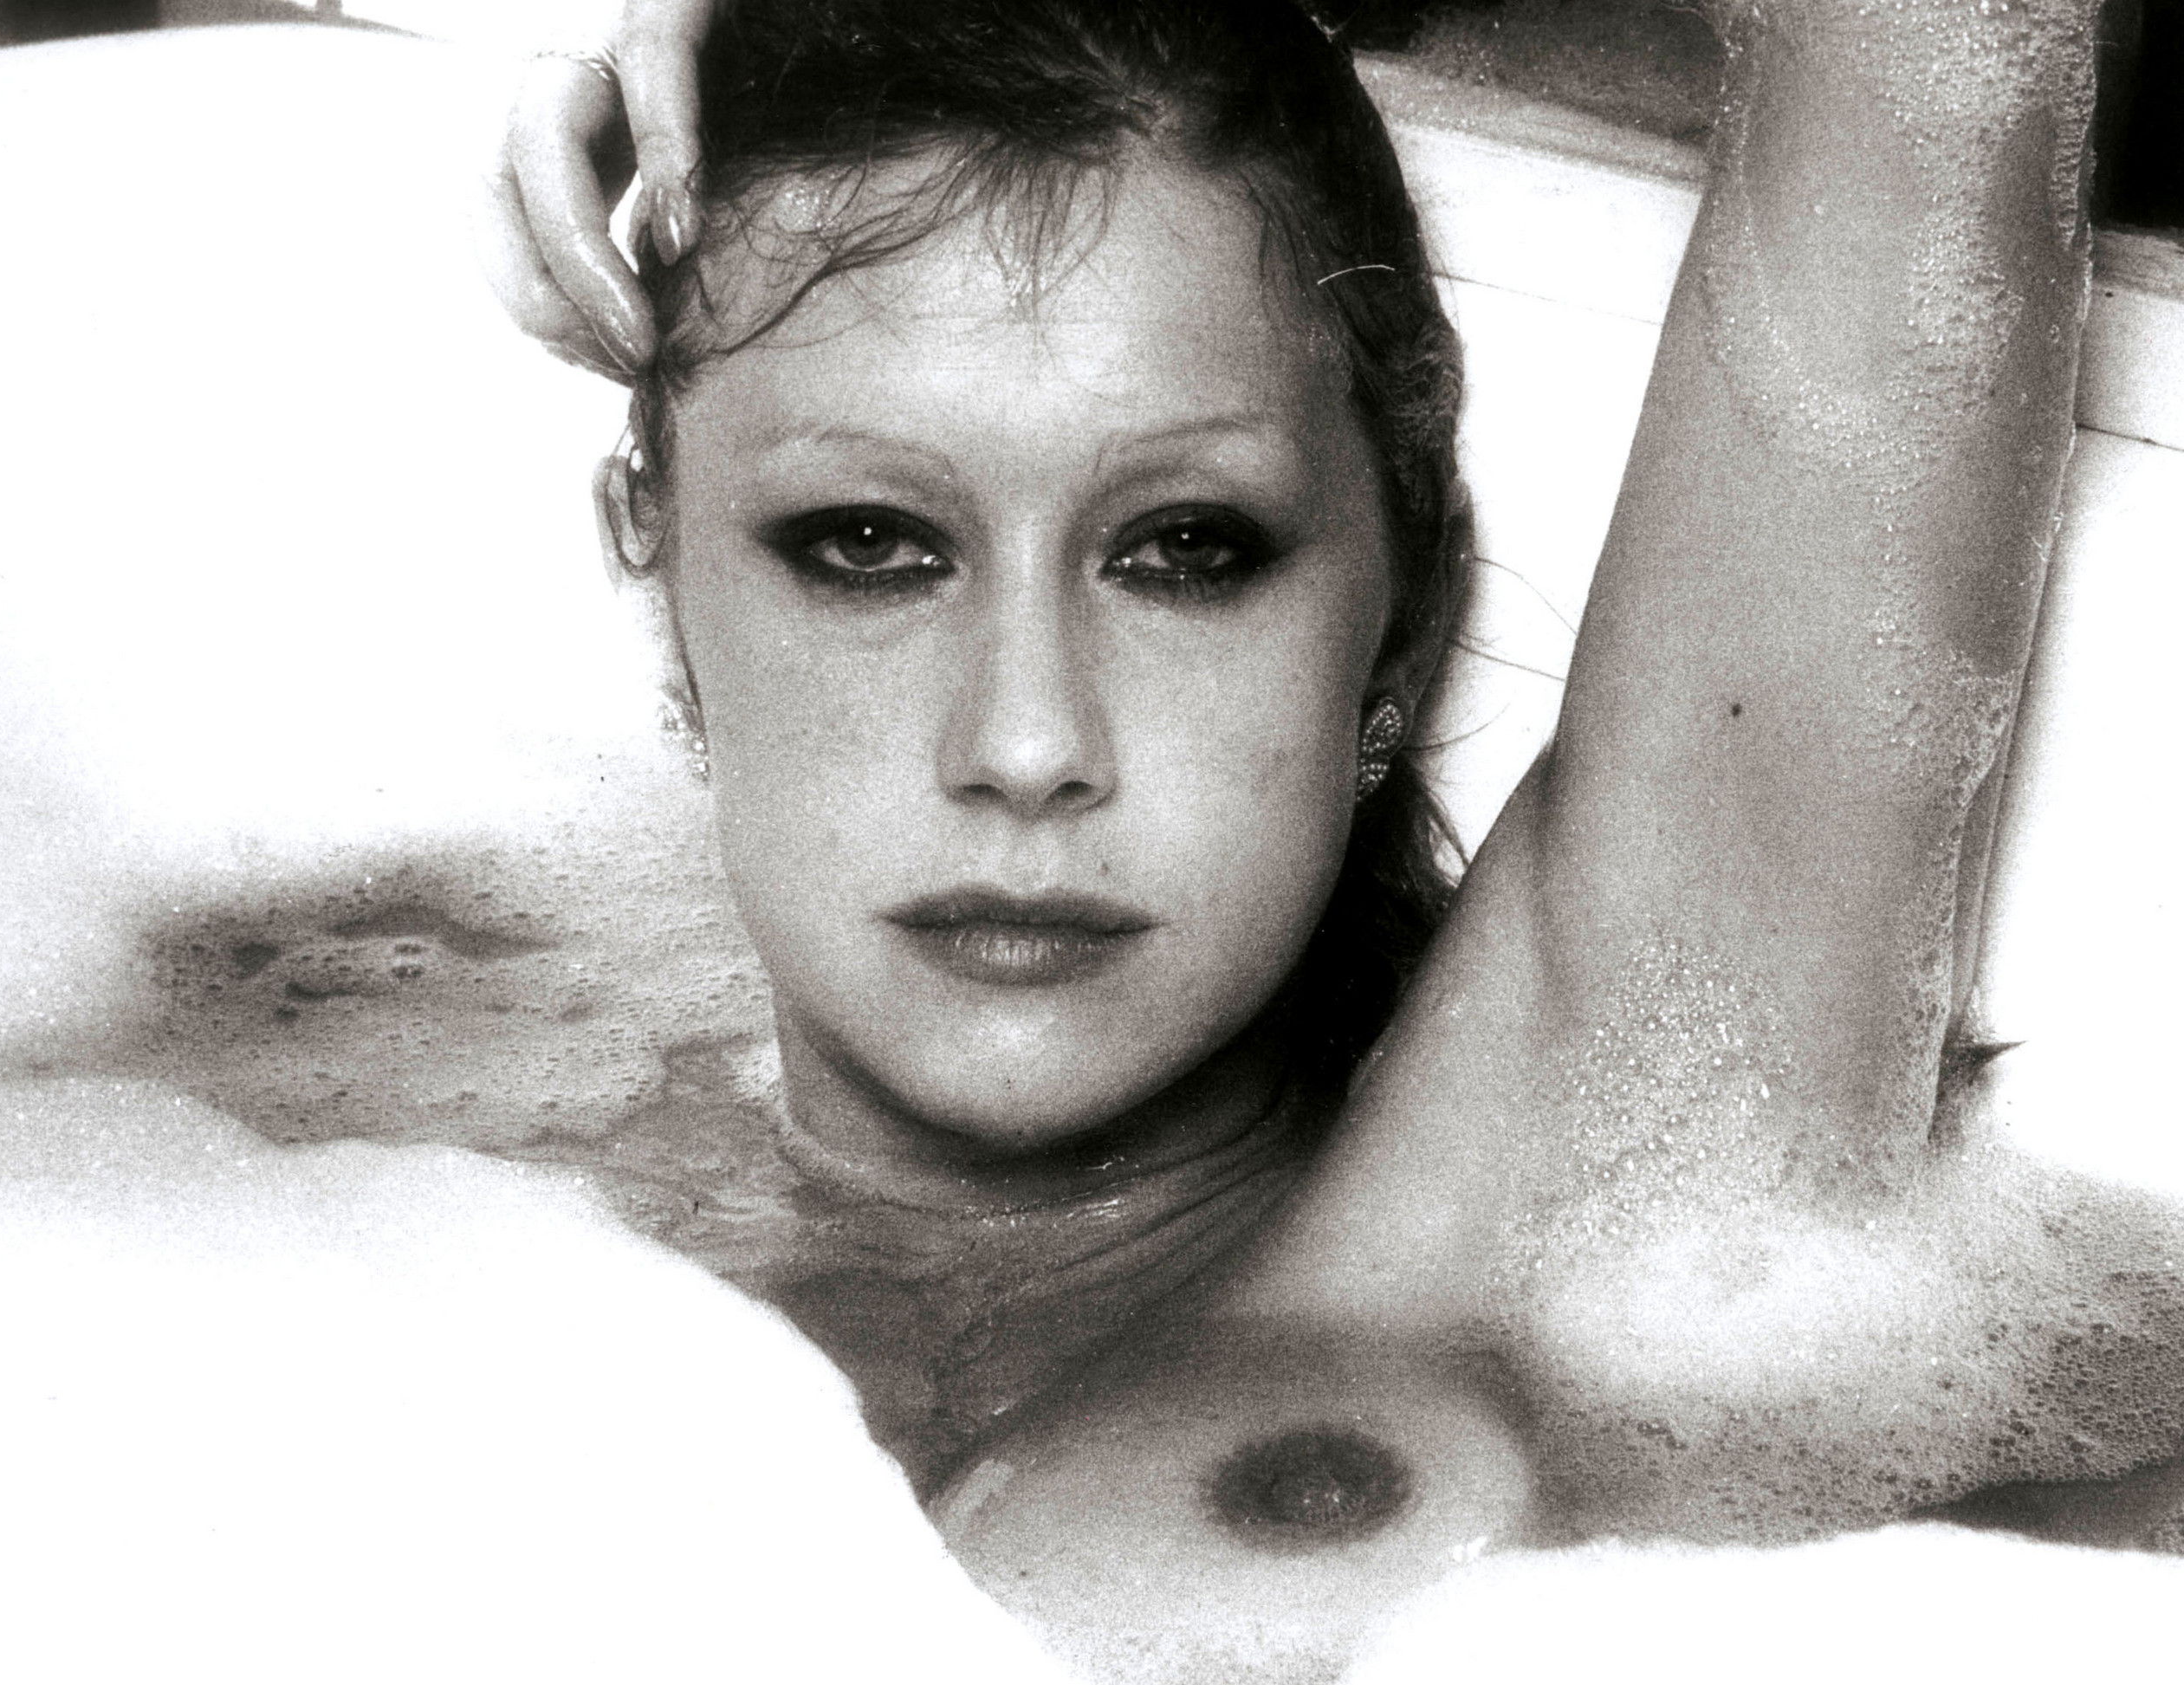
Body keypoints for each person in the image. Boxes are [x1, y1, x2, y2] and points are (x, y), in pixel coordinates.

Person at [463, 0, 2184, 1677]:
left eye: (1185, 550)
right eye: (867, 544)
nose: (1027, 745)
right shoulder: (403, 1117)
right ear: (657, 563)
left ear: (1403, 620)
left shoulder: (1577, 1216)